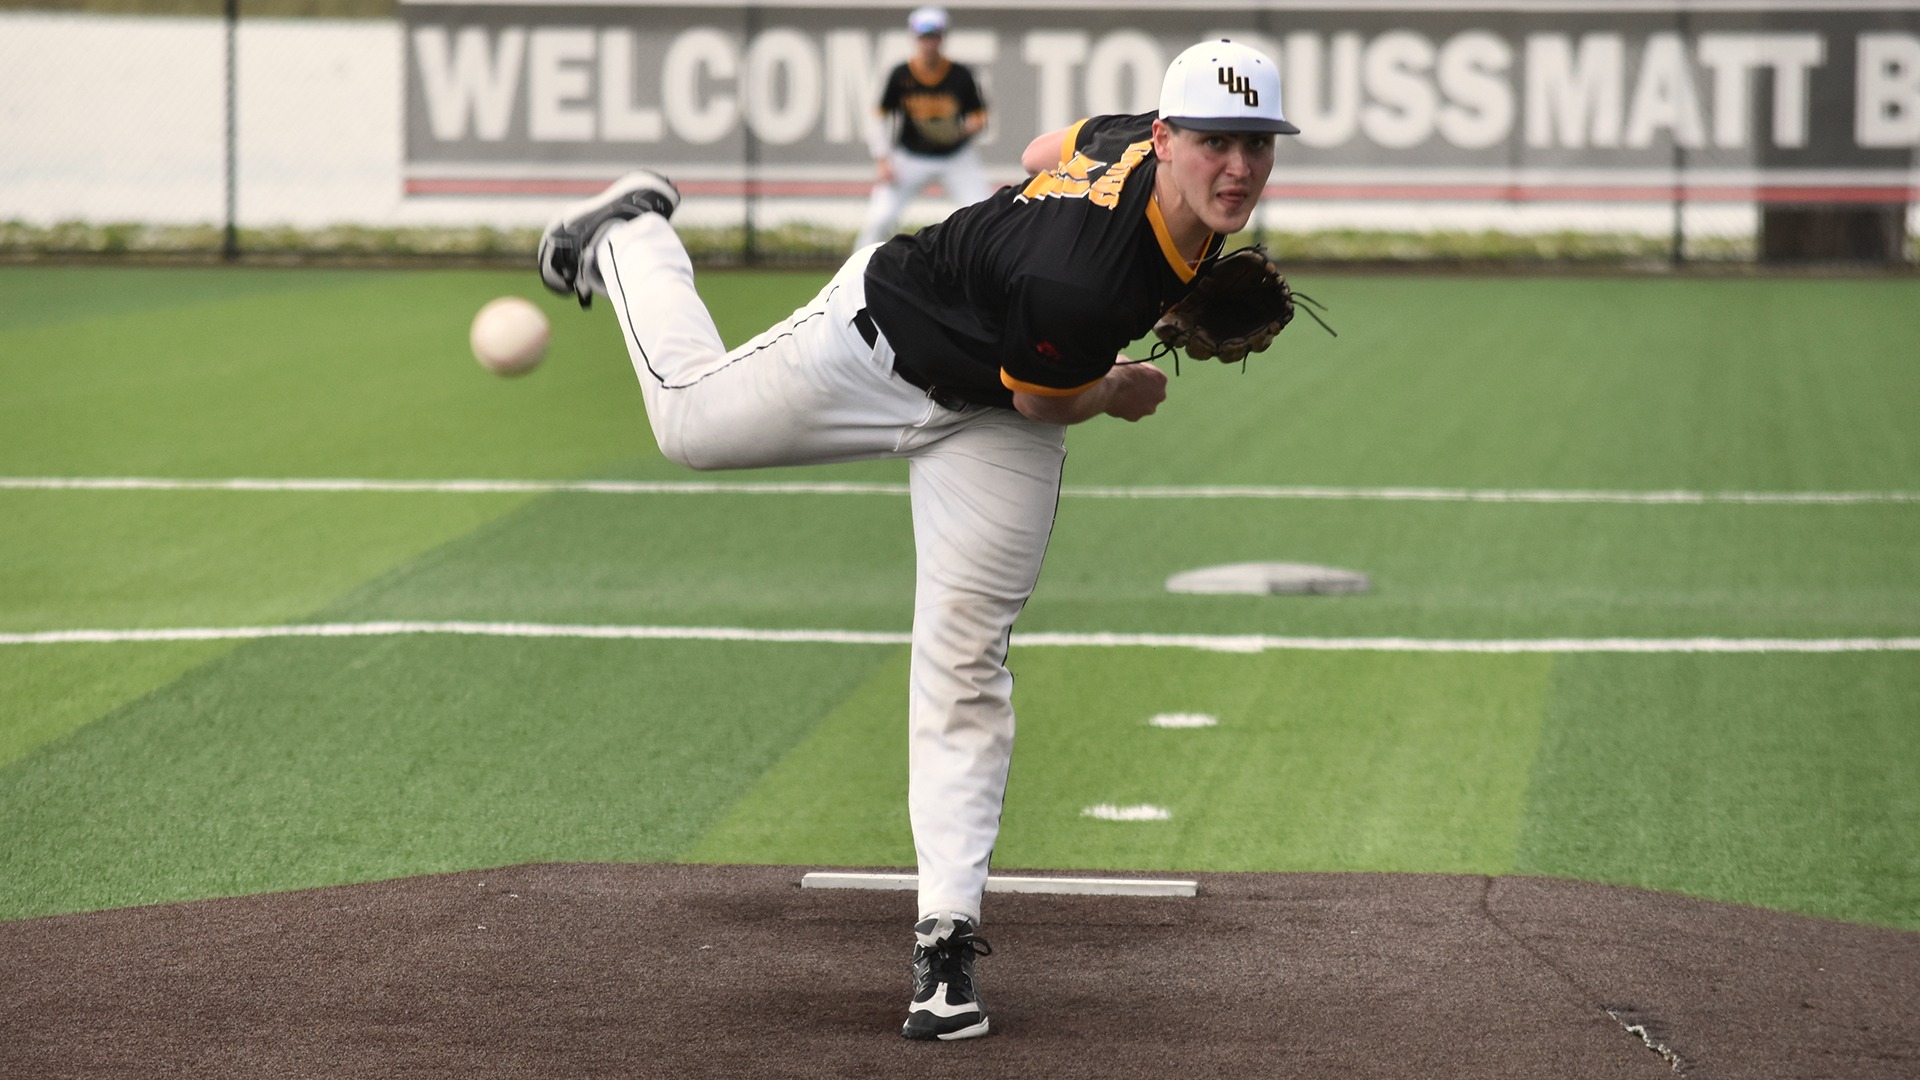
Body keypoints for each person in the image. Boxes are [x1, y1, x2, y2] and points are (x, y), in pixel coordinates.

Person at [535, 37, 1297, 1041]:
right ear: (1163, 138)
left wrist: (1093, 239)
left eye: (1256, 143)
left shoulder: (1124, 146)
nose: (1237, 167)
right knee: (685, 423)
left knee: (966, 655)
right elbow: (1049, 394)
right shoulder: (1078, 283)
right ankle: (629, 231)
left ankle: (947, 944)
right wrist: (1119, 387)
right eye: (1213, 142)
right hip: (879, 344)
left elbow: (1038, 147)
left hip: (991, 412)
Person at [851, 6, 991, 250]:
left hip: (955, 156)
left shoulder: (960, 75)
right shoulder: (901, 74)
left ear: (942, 37)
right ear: (915, 38)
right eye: (924, 36)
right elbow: (879, 117)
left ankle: (988, 277)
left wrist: (959, 131)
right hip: (910, 155)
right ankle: (857, 276)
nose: (929, 42)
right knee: (878, 218)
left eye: (934, 36)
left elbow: (979, 117)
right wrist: (882, 160)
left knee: (984, 216)